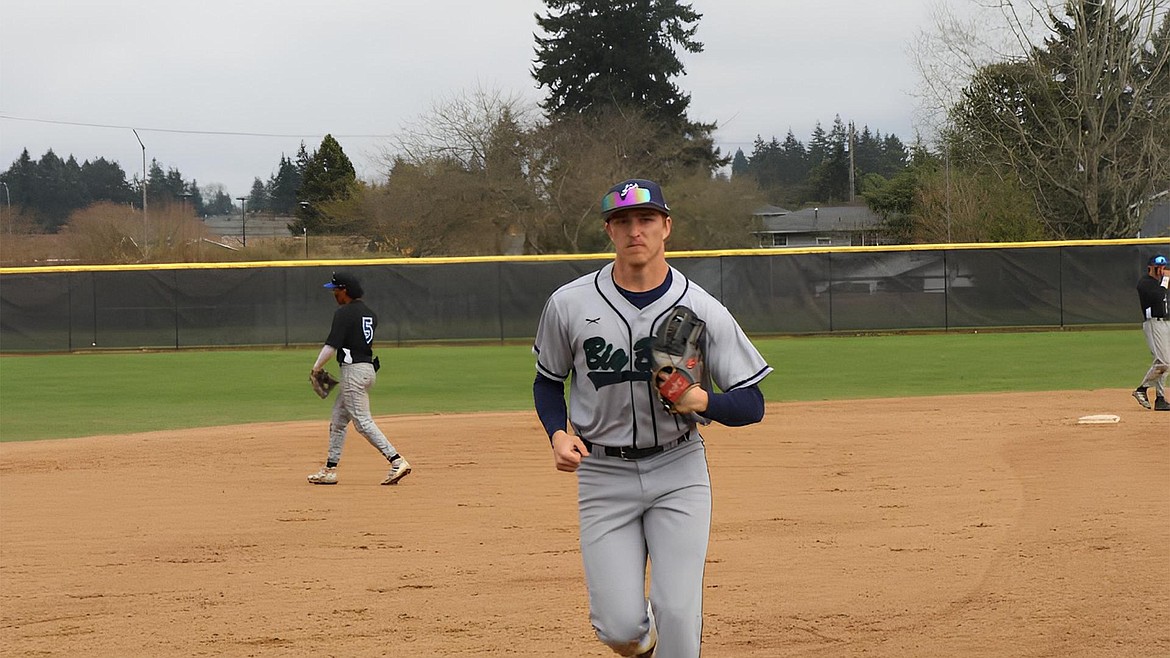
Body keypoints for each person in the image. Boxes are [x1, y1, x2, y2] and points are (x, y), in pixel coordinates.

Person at [531, 179, 772, 657]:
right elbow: (547, 381)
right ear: (609, 230)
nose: (634, 230)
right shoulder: (569, 303)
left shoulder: (702, 307)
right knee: (620, 629)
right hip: (603, 473)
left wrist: (703, 401)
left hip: (678, 470)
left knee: (678, 613)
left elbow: (752, 402)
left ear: (666, 226)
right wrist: (558, 433)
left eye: (645, 219)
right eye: (623, 221)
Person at [307, 271, 413, 485]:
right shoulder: (369, 313)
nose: (334, 293)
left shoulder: (344, 313)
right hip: (366, 369)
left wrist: (316, 367)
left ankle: (396, 460)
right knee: (338, 420)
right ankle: (329, 470)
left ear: (344, 290)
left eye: (336, 289)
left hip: (353, 372)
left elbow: (331, 346)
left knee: (362, 421)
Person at [1132, 253, 1170, 411]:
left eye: (1163, 267)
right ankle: (1141, 389)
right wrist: (1166, 280)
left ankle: (1160, 398)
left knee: (1165, 363)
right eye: (1158, 267)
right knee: (1164, 362)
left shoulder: (1162, 282)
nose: (1161, 270)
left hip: (1166, 323)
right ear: (1150, 268)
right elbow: (1157, 297)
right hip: (1154, 324)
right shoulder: (1145, 283)